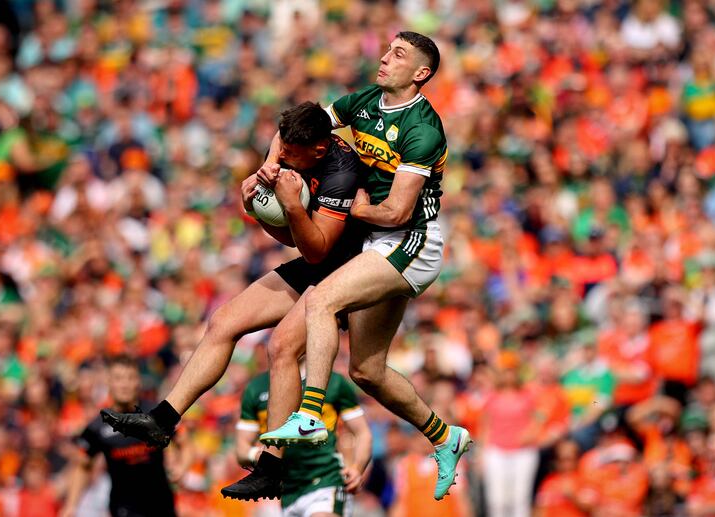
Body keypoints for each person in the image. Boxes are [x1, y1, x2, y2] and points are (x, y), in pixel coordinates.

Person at [98, 102, 364, 499]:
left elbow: (314, 250)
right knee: (223, 320)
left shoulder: (341, 175)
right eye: (282, 148)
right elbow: (281, 150)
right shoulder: (292, 146)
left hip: (346, 269)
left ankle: (273, 467)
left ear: (319, 151)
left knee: (283, 347)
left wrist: (286, 205)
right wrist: (259, 193)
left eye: (291, 153)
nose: (283, 156)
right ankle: (162, 420)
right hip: (318, 258)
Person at [260, 31, 471, 501]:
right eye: (387, 50)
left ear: (420, 73)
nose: (384, 57)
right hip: (378, 242)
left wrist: (349, 207)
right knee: (368, 371)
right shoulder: (364, 100)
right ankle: (444, 436)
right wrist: (272, 163)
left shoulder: (423, 129)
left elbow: (396, 212)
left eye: (398, 54)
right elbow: (301, 127)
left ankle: (310, 415)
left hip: (412, 241)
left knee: (321, 299)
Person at [61, 355, 191, 517]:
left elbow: (184, 442)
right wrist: (71, 505)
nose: (125, 384)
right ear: (109, 382)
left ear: (138, 381)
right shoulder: (97, 426)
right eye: (119, 378)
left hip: (161, 504)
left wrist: (182, 467)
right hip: (123, 508)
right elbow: (82, 466)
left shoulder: (156, 413)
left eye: (130, 378)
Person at [233, 369, 372, 516]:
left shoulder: (334, 382)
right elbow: (241, 449)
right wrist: (258, 454)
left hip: (326, 479)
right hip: (287, 491)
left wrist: (358, 468)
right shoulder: (256, 387)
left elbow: (362, 433)